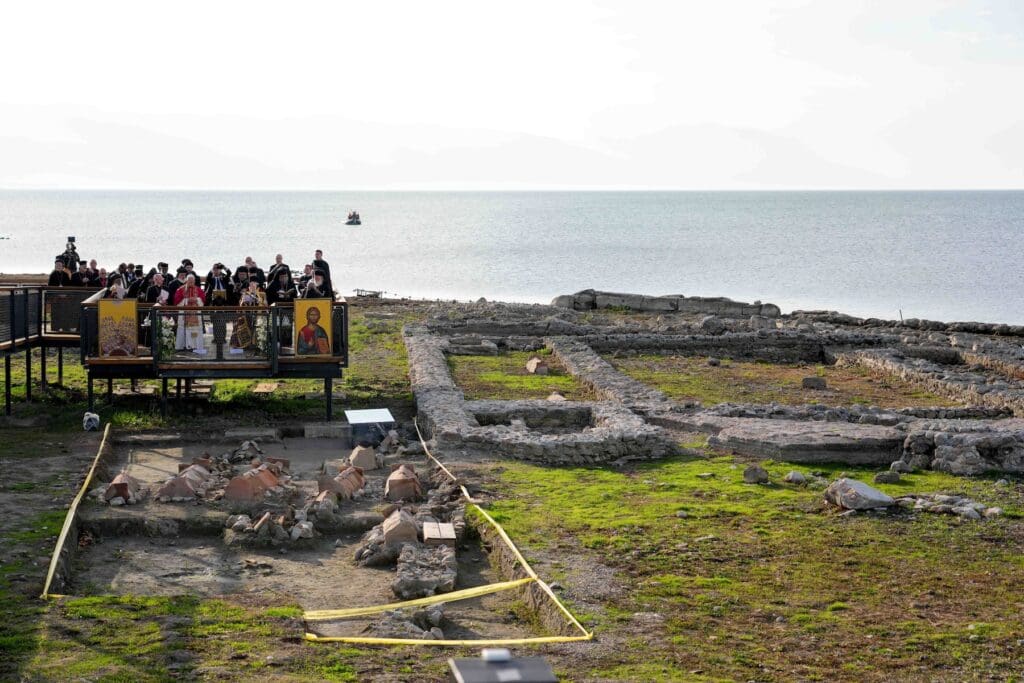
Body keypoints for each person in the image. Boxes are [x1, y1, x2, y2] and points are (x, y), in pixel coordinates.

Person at [173, 274, 206, 353]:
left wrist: (197, 300)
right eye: (189, 281)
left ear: (194, 281)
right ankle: (182, 346)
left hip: (195, 316)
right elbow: (177, 302)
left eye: (192, 281)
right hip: (184, 316)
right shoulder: (180, 290)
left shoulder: (198, 290)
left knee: (194, 330)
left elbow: (203, 300)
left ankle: (194, 346)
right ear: (186, 281)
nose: (191, 282)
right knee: (182, 329)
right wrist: (187, 300)